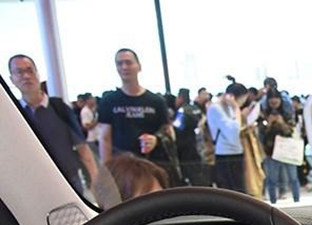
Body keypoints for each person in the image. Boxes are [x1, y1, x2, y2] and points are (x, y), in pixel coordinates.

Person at [7, 54, 97, 190]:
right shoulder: (14, 115)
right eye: (19, 72)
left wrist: (96, 182)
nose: (26, 76)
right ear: (12, 79)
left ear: (37, 74)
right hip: (32, 185)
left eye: (30, 70)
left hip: (69, 182)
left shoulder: (59, 108)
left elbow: (82, 148)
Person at [98, 48, 172, 182]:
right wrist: (107, 170)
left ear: (139, 66)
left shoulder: (156, 101)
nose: (124, 67)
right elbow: (105, 138)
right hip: (123, 168)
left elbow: (168, 131)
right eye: (119, 63)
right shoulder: (108, 101)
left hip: (153, 165)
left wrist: (156, 139)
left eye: (128, 62)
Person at [206, 81, 251, 192]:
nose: (242, 104)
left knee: (240, 190)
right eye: (242, 100)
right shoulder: (216, 108)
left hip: (236, 152)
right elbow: (232, 133)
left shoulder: (229, 107)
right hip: (225, 154)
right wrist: (236, 109)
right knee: (230, 191)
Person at [260, 90, 301, 203]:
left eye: (276, 100)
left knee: (293, 178)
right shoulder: (263, 114)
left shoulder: (287, 113)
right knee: (272, 179)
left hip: (287, 148)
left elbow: (291, 131)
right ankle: (273, 203)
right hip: (271, 150)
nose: (274, 102)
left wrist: (282, 123)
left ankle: (297, 201)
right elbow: (261, 134)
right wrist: (268, 124)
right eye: (271, 100)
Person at [173, 88, 209, 186]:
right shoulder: (196, 109)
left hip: (185, 147)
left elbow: (177, 127)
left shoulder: (182, 111)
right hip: (199, 145)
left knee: (190, 174)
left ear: (180, 98)